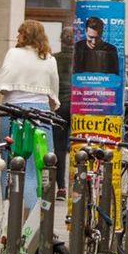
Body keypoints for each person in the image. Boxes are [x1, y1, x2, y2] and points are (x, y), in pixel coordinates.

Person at [0, 20, 60, 214]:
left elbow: (3, 86)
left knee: (11, 162)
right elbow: (53, 93)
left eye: (19, 33)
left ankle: (11, 214)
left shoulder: (14, 54)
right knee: (39, 165)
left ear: (25, 35)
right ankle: (36, 214)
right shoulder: (49, 58)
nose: (16, 37)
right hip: (41, 113)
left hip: (13, 112)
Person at [52, 27, 74, 198]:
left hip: (59, 105)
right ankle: (79, 183)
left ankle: (61, 187)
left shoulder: (55, 59)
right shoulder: (81, 59)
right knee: (79, 144)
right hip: (78, 105)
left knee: (59, 147)